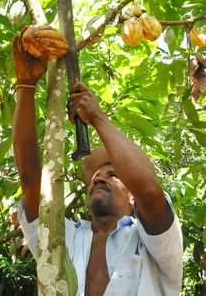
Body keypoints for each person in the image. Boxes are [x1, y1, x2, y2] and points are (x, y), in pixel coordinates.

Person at [12, 28, 183, 296]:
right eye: (95, 176)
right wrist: (25, 85)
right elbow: (31, 181)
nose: (99, 178)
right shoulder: (63, 236)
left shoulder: (154, 242)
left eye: (113, 174)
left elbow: (149, 191)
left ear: (132, 200)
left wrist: (98, 118)